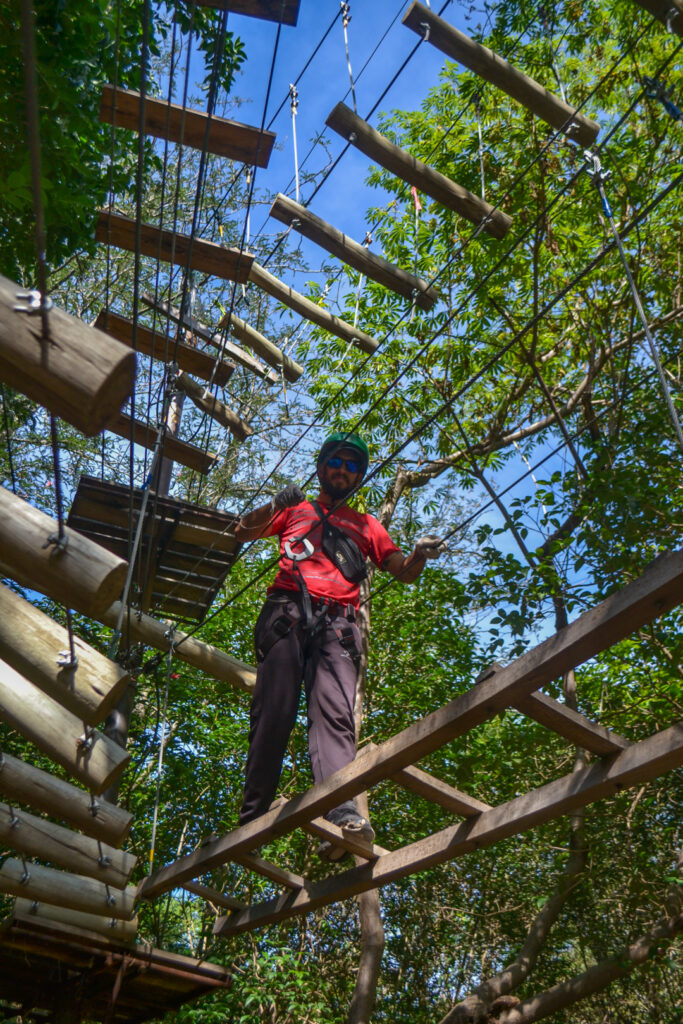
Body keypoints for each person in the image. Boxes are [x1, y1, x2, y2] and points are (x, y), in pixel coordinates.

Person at [234, 431, 445, 858]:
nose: (344, 471)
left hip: (338, 628)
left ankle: (342, 811)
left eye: (353, 467)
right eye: (338, 462)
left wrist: (420, 553)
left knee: (335, 715)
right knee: (272, 711)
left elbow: (399, 570)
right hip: (286, 613)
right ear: (322, 467)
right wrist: (276, 503)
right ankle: (252, 818)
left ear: (360, 477)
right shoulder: (295, 509)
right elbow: (240, 532)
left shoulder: (367, 525)